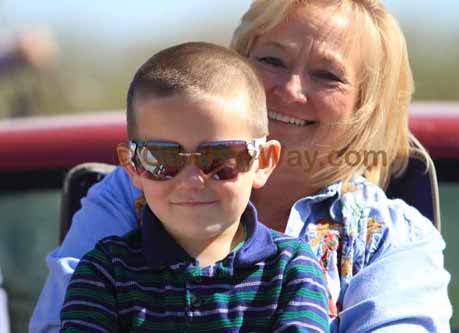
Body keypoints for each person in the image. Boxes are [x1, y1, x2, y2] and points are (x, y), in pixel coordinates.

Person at [31, 1, 452, 332]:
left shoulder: (392, 238)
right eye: (272, 60)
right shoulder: (132, 190)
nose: (290, 89)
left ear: (364, 105)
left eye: (326, 75)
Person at [59, 42, 330, 332]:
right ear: (132, 166)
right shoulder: (104, 273)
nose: (190, 181)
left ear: (262, 162)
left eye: (220, 158)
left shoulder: (291, 270)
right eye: (161, 158)